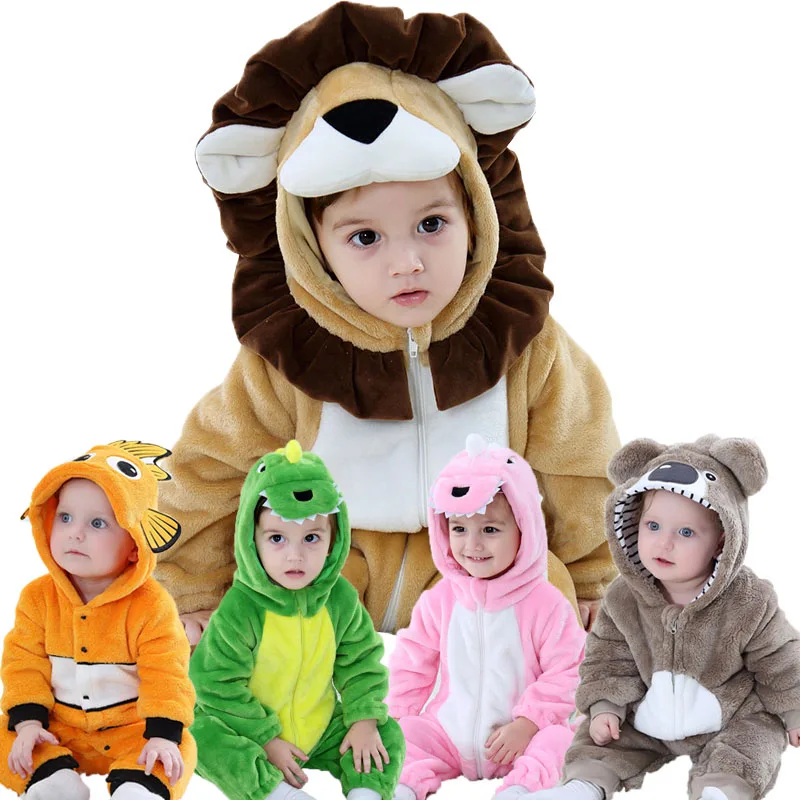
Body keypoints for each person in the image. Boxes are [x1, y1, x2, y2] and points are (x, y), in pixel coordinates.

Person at [155, 2, 619, 642]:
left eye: (432, 224)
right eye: (365, 237)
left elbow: (579, 462)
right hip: (326, 561)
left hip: (482, 558)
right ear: (314, 249)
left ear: (476, 214)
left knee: (537, 620)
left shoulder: (523, 343)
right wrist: (190, 588)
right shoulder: (287, 359)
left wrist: (595, 577)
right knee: (263, 632)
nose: (407, 263)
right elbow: (213, 468)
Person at [529, 436, 800, 800]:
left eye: (686, 532)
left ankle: (722, 790)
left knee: (756, 739)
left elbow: (782, 659)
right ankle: (584, 785)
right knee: (599, 734)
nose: (664, 543)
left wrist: (794, 711)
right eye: (653, 526)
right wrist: (606, 705)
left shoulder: (748, 600)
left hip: (730, 714)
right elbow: (607, 658)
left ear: (721, 542)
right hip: (648, 714)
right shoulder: (623, 598)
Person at [189, 440, 405, 800]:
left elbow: (361, 663)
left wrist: (363, 721)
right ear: (251, 539)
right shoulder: (240, 608)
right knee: (201, 737)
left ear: (334, 539)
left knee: (386, 733)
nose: (295, 556)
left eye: (311, 538)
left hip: (318, 728)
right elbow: (215, 685)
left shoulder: (340, 598)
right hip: (249, 733)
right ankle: (277, 792)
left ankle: (365, 792)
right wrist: (266, 739)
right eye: (277, 538)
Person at [389, 434, 585, 800]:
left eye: (490, 530)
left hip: (520, 738)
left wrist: (528, 723)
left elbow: (569, 670)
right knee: (405, 737)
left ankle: (521, 790)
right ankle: (402, 787)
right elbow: (411, 664)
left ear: (525, 528)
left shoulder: (546, 604)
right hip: (450, 734)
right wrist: (396, 716)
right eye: (459, 529)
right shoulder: (439, 601)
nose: (472, 545)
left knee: (561, 740)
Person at [0, 441, 196, 800]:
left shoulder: (152, 605)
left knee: (177, 750)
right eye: (65, 517)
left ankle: (138, 787)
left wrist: (162, 735)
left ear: (135, 544)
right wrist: (29, 724)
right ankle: (53, 779)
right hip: (57, 727)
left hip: (133, 729)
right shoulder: (37, 597)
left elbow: (166, 673)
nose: (76, 532)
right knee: (7, 735)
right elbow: (23, 663)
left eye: (97, 523)